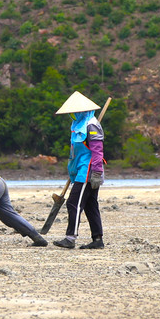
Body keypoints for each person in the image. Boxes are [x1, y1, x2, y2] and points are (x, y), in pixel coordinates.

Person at [53, 91, 105, 249]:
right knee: (90, 205)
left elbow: (97, 151)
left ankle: (70, 238)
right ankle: (97, 240)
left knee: (73, 203)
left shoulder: (92, 124)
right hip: (79, 170)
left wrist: (96, 172)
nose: (73, 115)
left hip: (88, 172)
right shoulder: (77, 125)